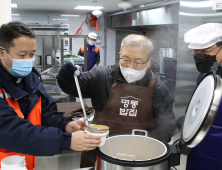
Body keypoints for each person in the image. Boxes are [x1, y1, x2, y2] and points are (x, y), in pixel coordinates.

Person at [57, 34, 176, 168]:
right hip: (99, 153)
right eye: (125, 59)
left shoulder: (159, 89)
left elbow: (167, 126)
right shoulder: (100, 76)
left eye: (138, 62)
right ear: (120, 54)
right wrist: (65, 77)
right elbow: (74, 86)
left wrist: (143, 144)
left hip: (140, 158)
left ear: (149, 62)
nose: (131, 66)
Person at [0, 21, 101, 170]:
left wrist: (65, 125)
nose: (28, 59)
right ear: (2, 52)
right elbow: (10, 130)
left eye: (32, 54)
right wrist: (65, 140)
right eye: (22, 55)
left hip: (24, 163)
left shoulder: (32, 80)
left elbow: (46, 113)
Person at [184, 23, 222, 170]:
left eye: (205, 50)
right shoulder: (206, 74)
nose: (199, 55)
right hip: (199, 145)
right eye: (195, 50)